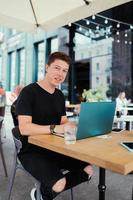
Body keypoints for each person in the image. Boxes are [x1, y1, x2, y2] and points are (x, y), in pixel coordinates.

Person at [16, 52, 93, 200]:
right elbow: (24, 128)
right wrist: (54, 128)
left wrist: (78, 123)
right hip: (32, 151)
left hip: (56, 148)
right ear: (47, 67)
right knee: (58, 184)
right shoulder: (29, 92)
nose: (60, 73)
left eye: (64, 70)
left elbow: (63, 122)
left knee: (88, 169)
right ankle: (41, 194)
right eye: (57, 68)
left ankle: (50, 188)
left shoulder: (59, 95)